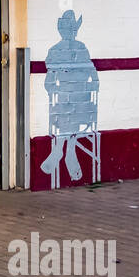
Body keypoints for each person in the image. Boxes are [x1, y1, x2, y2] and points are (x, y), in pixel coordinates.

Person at [40, 10, 98, 183]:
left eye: (73, 29)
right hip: (63, 103)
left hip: (82, 103)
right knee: (65, 109)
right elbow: (48, 80)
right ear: (61, 30)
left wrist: (91, 87)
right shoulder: (54, 50)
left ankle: (59, 151)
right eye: (67, 29)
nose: (71, 32)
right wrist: (54, 91)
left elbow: (93, 73)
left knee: (72, 109)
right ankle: (69, 152)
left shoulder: (82, 48)